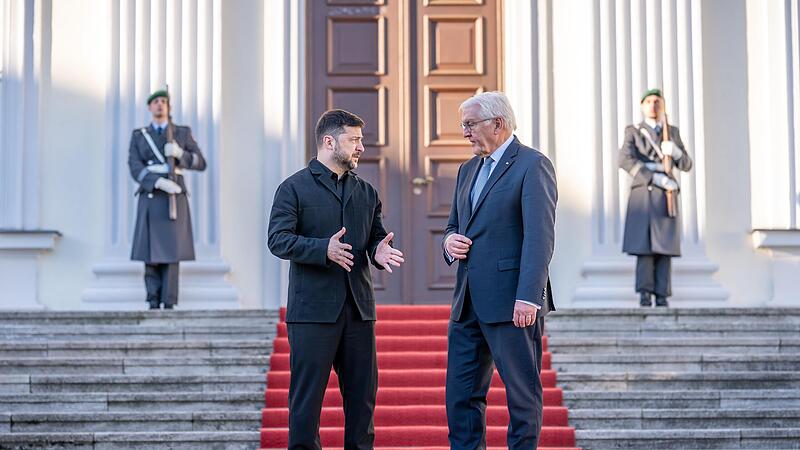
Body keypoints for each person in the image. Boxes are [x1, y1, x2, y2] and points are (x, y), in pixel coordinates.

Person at [268, 109, 404, 450]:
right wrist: (321, 249)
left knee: (362, 404)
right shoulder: (293, 188)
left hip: (359, 312)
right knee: (306, 405)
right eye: (354, 140)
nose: (361, 147)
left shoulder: (367, 192)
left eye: (361, 140)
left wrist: (378, 252)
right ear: (329, 142)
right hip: (312, 311)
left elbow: (375, 238)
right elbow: (277, 240)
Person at [442, 91, 557, 450]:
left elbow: (539, 237)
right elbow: (453, 226)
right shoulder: (467, 169)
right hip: (467, 304)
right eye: (463, 125)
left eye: (470, 124)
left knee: (521, 397)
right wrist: (449, 243)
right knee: (460, 398)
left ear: (498, 123)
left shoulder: (532, 165)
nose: (465, 133)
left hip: (512, 302)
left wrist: (528, 297)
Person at [128, 89, 206, 310]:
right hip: (152, 196)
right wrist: (156, 182)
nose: (160, 105)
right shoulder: (139, 135)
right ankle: (152, 299)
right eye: (155, 102)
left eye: (164, 101)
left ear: (169, 107)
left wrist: (181, 154)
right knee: (150, 251)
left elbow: (201, 162)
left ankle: (169, 301)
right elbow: (134, 166)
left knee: (172, 252)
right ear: (150, 107)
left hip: (174, 199)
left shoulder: (181, 133)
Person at [619, 88, 694, 308]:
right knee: (644, 246)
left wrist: (677, 153)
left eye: (657, 101)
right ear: (643, 106)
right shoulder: (634, 131)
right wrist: (653, 178)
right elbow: (624, 160)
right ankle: (644, 293)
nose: (653, 105)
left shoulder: (672, 132)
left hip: (666, 194)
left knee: (665, 245)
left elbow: (687, 164)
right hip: (644, 191)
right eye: (649, 101)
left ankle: (662, 294)